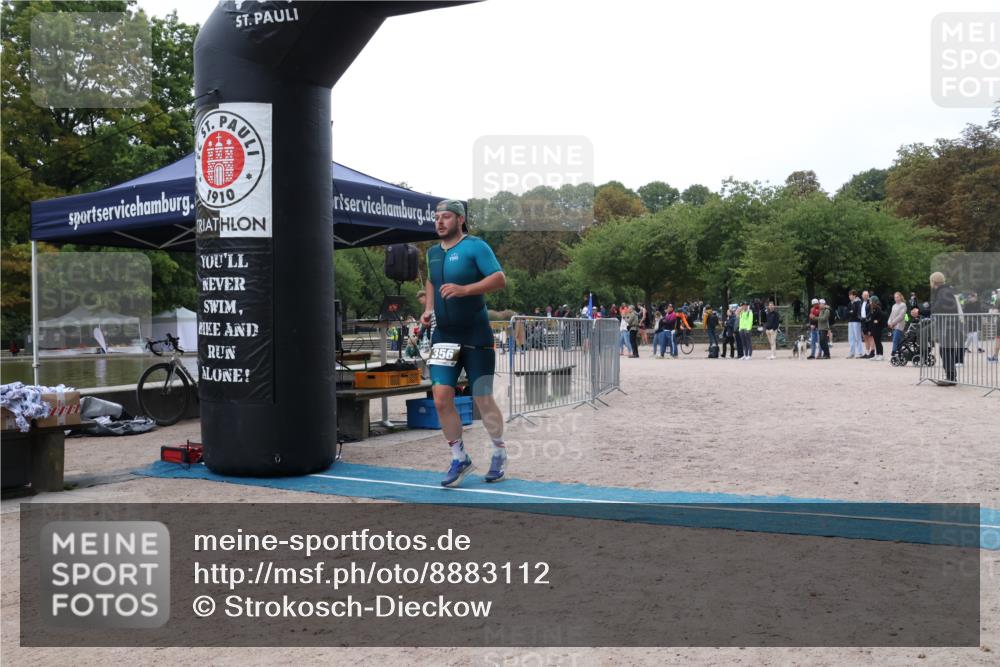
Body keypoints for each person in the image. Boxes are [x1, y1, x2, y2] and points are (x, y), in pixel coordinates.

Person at [421, 199, 508, 486]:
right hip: (444, 336)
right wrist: (428, 310)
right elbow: (432, 281)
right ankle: (459, 458)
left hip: (475, 334)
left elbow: (499, 279)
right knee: (441, 398)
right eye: (436, 217)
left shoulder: (476, 247)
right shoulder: (432, 252)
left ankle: (498, 451)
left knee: (482, 397)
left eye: (446, 217)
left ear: (460, 220)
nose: (440, 222)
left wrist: (465, 289)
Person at [928, 272, 960, 385]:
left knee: (945, 351)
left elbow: (938, 308)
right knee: (948, 350)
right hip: (950, 325)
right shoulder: (946, 291)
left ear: (934, 281)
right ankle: (951, 377)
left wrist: (923, 310)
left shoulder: (943, 292)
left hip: (947, 326)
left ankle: (951, 378)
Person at [887, 291, 907, 357]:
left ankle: (894, 352)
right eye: (895, 297)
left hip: (899, 325)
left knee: (895, 339)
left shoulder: (903, 305)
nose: (896, 298)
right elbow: (891, 315)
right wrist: (889, 322)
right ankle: (899, 354)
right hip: (893, 325)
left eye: (897, 297)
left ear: (900, 297)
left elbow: (901, 316)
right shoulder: (894, 306)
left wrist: (893, 323)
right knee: (898, 340)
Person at [868, 296, 886, 360]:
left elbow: (882, 316)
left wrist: (878, 320)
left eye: (871, 301)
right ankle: (877, 354)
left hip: (878, 328)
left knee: (878, 341)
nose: (869, 302)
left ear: (874, 301)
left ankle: (881, 354)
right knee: (875, 341)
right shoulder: (872, 308)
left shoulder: (878, 308)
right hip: (874, 328)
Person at [847, 290, 863, 358]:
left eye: (851, 295)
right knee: (851, 338)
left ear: (854, 295)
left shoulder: (858, 302)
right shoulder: (850, 303)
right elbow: (847, 312)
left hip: (856, 321)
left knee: (857, 337)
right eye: (849, 295)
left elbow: (855, 312)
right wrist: (850, 312)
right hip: (850, 321)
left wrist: (851, 312)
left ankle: (860, 353)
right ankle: (852, 353)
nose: (849, 296)